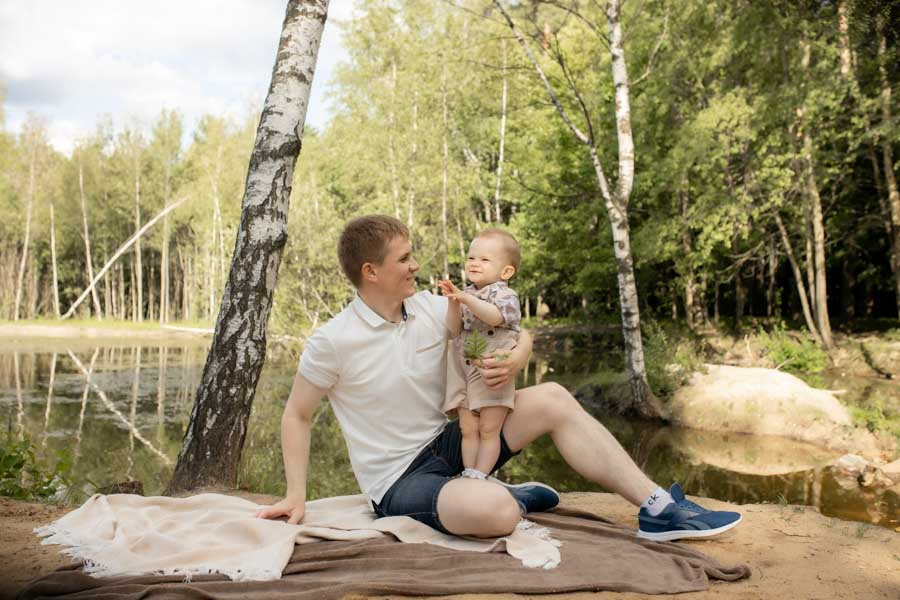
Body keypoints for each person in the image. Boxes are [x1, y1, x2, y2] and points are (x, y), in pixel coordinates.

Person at [256, 215, 742, 541]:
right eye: (404, 258)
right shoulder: (333, 339)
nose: (416, 265)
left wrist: (520, 352)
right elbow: (297, 416)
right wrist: (296, 495)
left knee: (551, 395)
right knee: (499, 515)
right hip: (398, 481)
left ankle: (657, 508)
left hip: (451, 443)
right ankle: (500, 494)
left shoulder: (430, 307)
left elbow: (507, 325)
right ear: (371, 271)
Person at [438, 228, 522, 481]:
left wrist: (466, 299)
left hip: (490, 370)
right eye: (471, 258)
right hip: (463, 370)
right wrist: (455, 304)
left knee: (488, 428)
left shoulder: (506, 295)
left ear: (506, 272)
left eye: (485, 259)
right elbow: (454, 330)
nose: (475, 263)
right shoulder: (467, 293)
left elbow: (495, 317)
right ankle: (468, 472)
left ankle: (481, 474)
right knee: (468, 428)